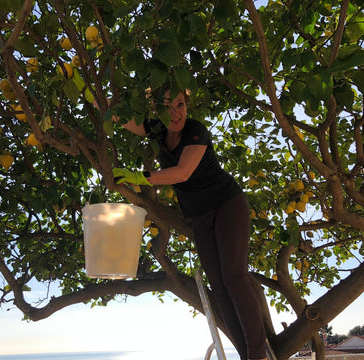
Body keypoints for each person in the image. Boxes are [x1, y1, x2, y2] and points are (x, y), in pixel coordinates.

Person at [100, 87, 267, 360]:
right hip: (199, 216)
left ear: (187, 106)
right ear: (157, 111)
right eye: (167, 107)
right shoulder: (157, 131)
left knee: (234, 276)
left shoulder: (195, 130)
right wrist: (90, 92)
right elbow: (122, 117)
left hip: (227, 204)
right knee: (219, 288)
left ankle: (257, 354)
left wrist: (140, 177)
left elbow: (183, 172)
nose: (175, 113)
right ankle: (246, 353)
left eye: (180, 105)